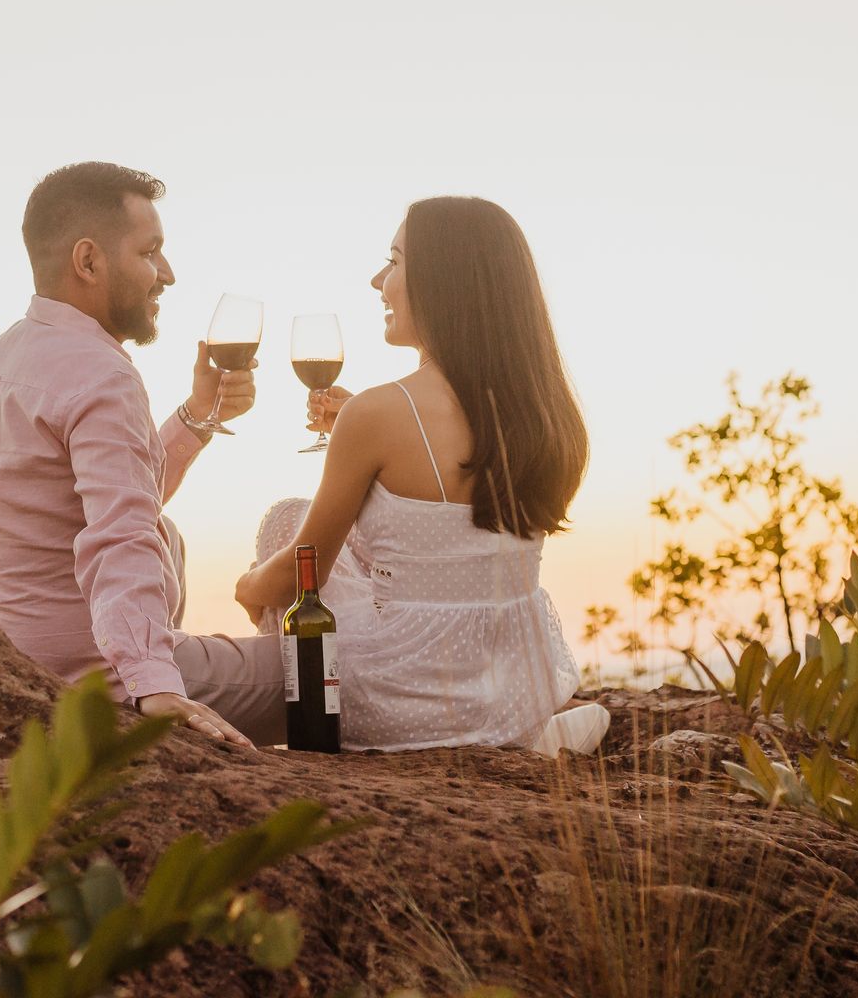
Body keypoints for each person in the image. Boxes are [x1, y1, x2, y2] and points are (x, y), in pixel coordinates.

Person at [235, 196, 608, 756]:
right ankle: (537, 734)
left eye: (394, 260)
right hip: (515, 696)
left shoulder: (377, 415)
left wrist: (246, 588)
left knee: (286, 521)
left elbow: (298, 575)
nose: (377, 279)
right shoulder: (550, 414)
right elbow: (462, 532)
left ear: (444, 280)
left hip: (397, 707)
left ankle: (311, 725)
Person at [0, 162, 286, 748]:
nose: (168, 274)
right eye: (151, 252)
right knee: (324, 673)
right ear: (88, 261)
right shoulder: (103, 374)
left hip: (0, 651)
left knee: (167, 529)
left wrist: (200, 416)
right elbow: (120, 534)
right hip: (93, 677)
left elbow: (105, 496)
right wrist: (154, 684)